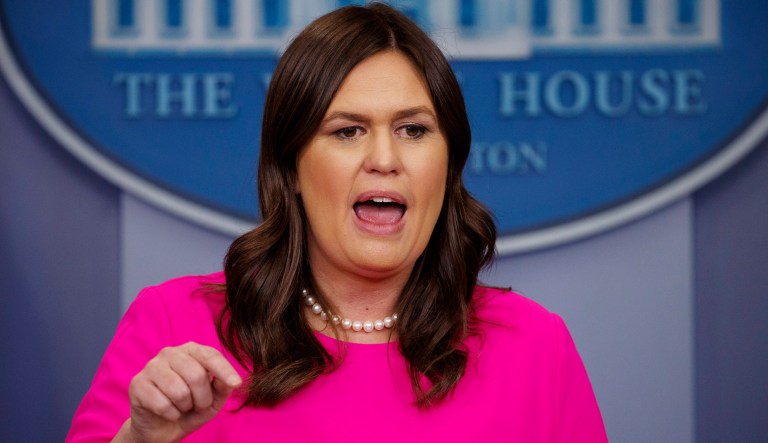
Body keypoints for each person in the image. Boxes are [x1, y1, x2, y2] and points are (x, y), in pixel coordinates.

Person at [67, 3, 608, 442]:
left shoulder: (536, 345)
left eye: (414, 130)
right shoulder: (176, 327)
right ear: (292, 169)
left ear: (449, 163)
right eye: (347, 130)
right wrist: (138, 441)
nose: (385, 158)